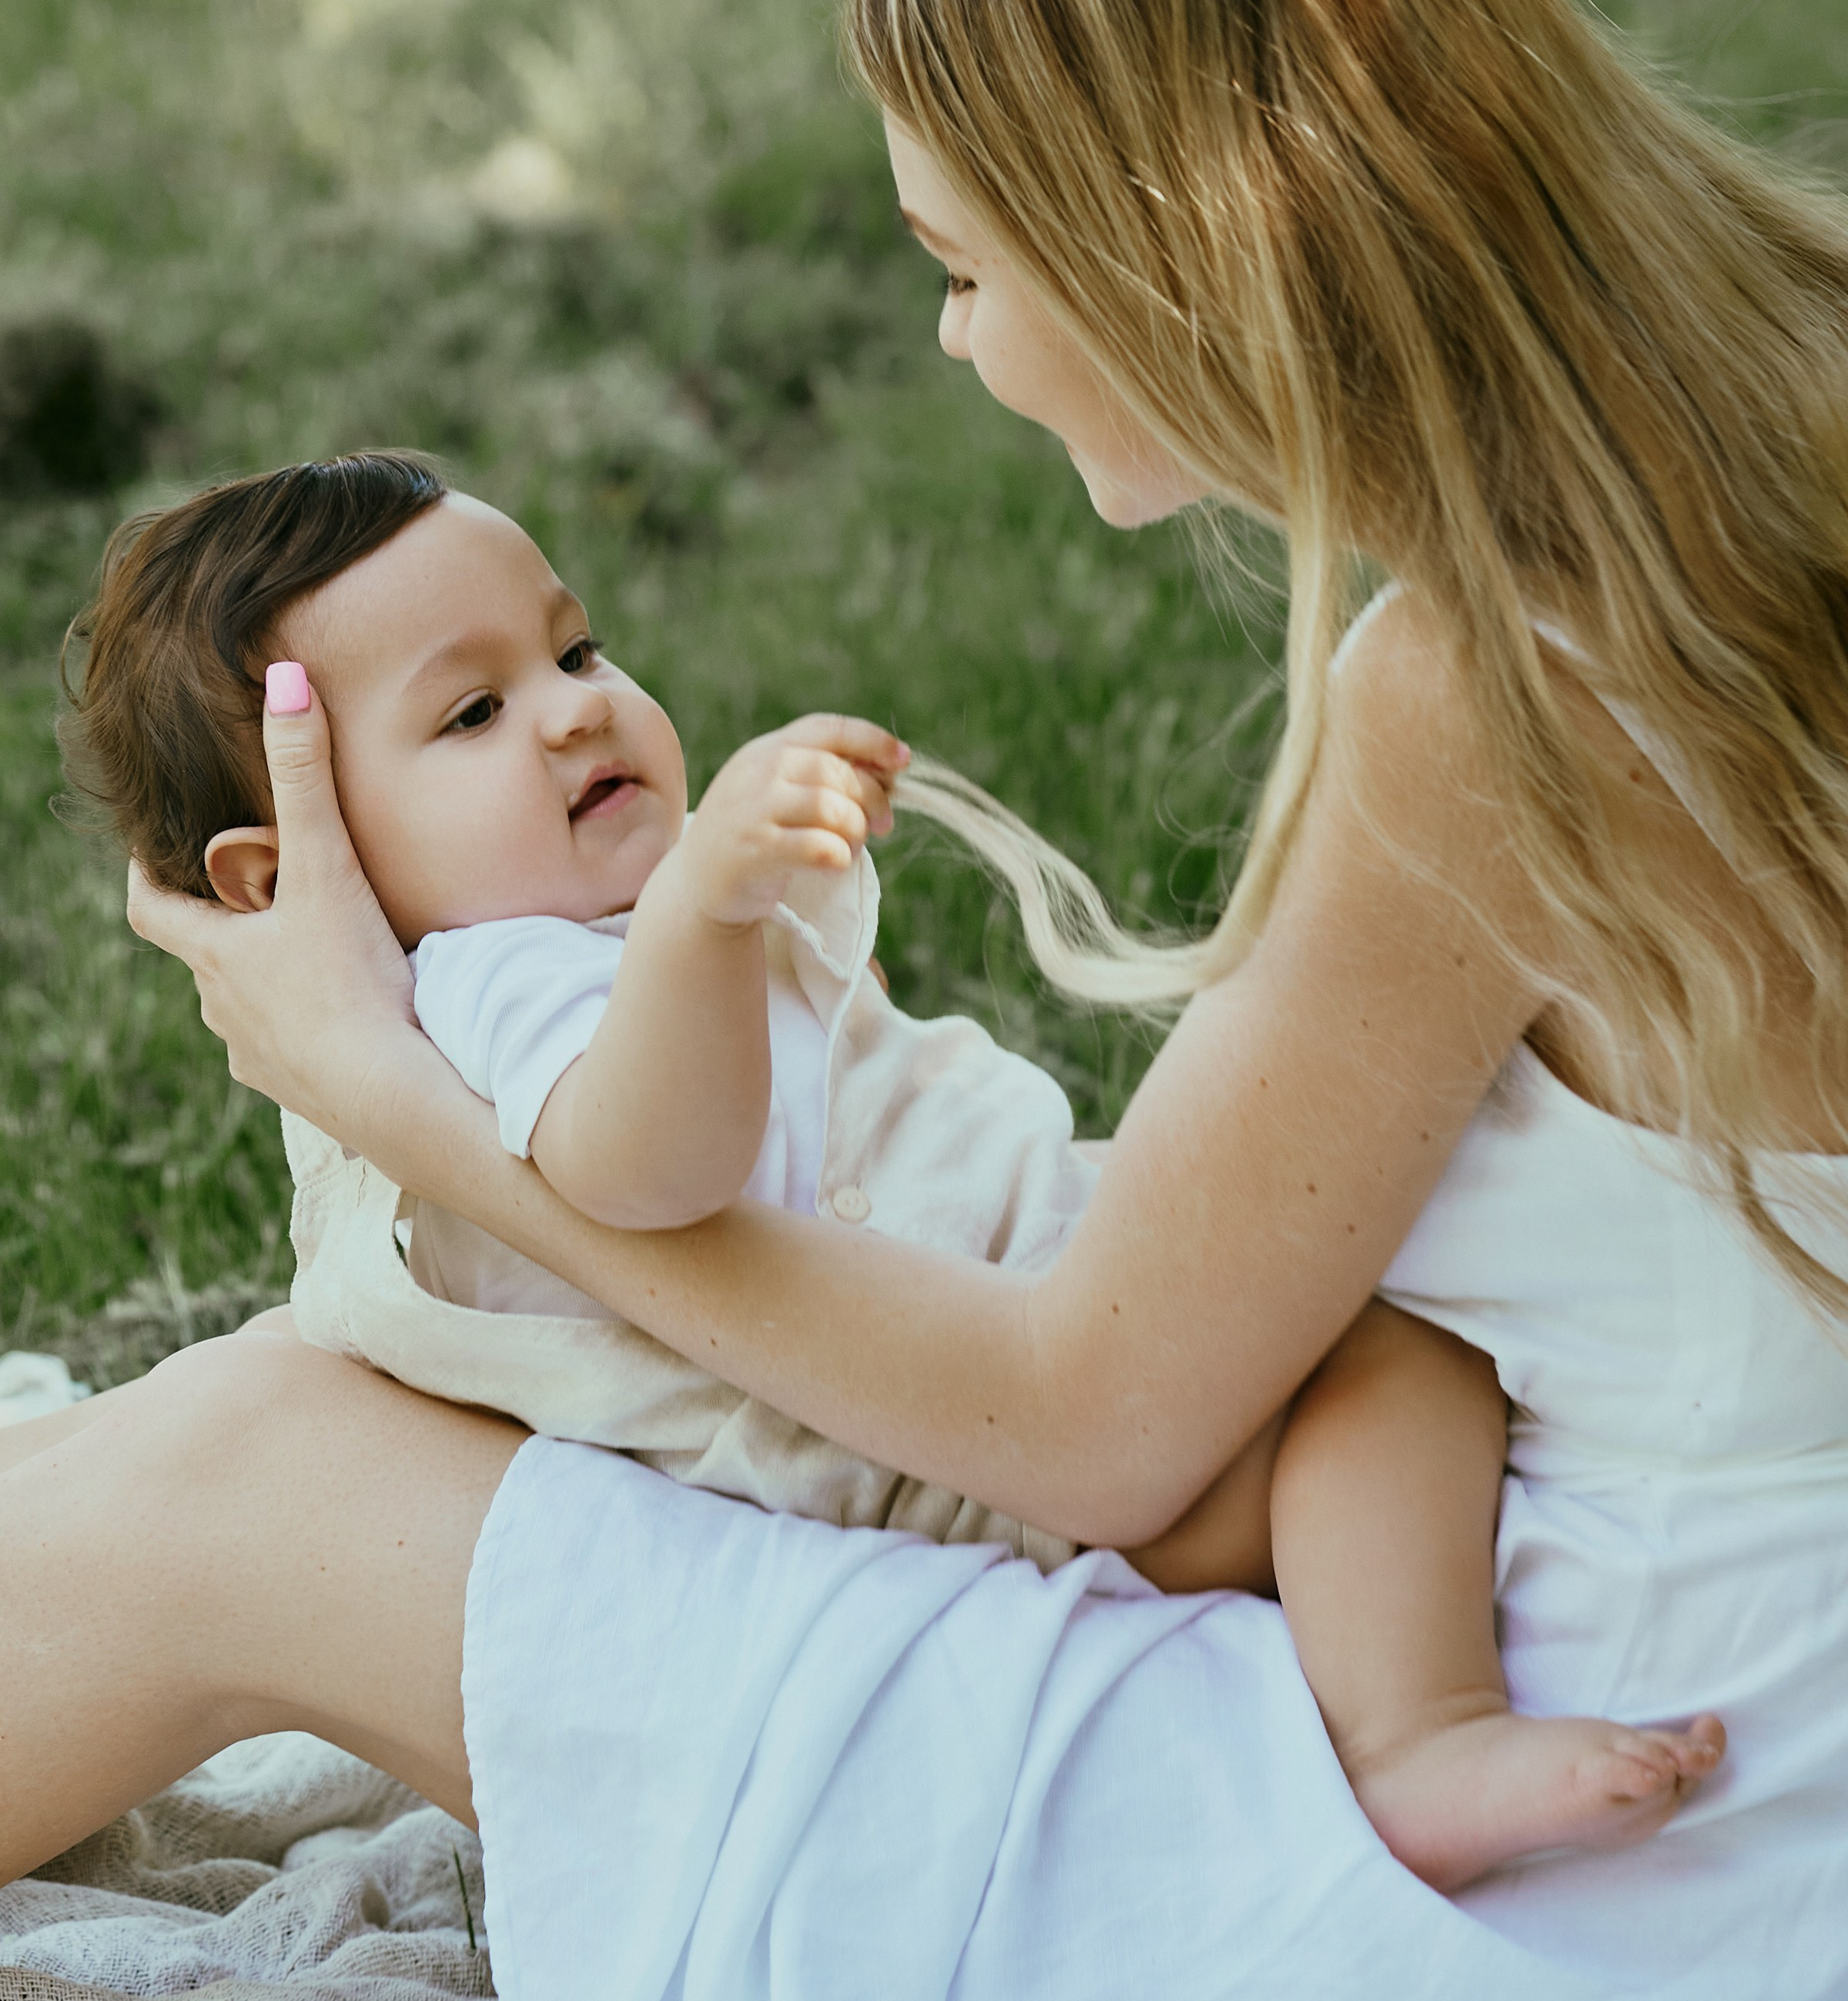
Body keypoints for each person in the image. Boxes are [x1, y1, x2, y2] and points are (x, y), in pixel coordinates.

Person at [10, 0, 1848, 2001]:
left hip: (1598, 1897)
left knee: (249, 1463)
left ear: (1184, 243)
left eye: (970, 261)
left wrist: (395, 1099)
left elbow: (1090, 1422)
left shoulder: (1497, 688)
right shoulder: (1793, 384)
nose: (963, 340)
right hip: (1675, 1727)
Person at [63, 454, 1723, 1883]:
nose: (577, 706)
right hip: (943, 1464)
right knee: (1393, 1360)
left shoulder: (570, 944)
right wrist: (706, 911)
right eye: (478, 709)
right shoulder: (495, 986)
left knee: (1382, 1342)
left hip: (1001, 1340)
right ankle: (1418, 1729)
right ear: (297, 869)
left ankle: (1416, 1706)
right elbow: (646, 1167)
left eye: (576, 646)